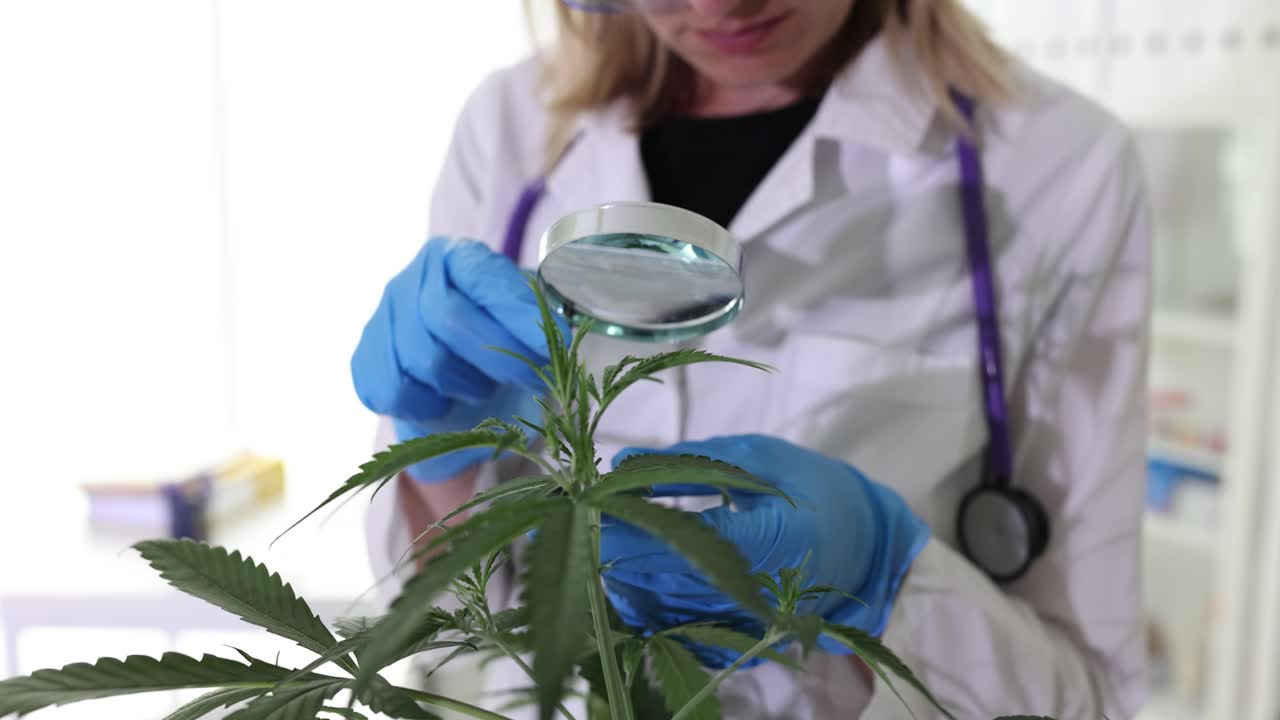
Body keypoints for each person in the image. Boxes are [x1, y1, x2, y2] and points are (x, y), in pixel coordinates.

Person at [354, 0, 1151, 717]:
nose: (718, 5)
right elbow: (448, 616)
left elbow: (1093, 696)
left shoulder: (1059, 168)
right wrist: (439, 463)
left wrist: (885, 581)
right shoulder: (508, 129)